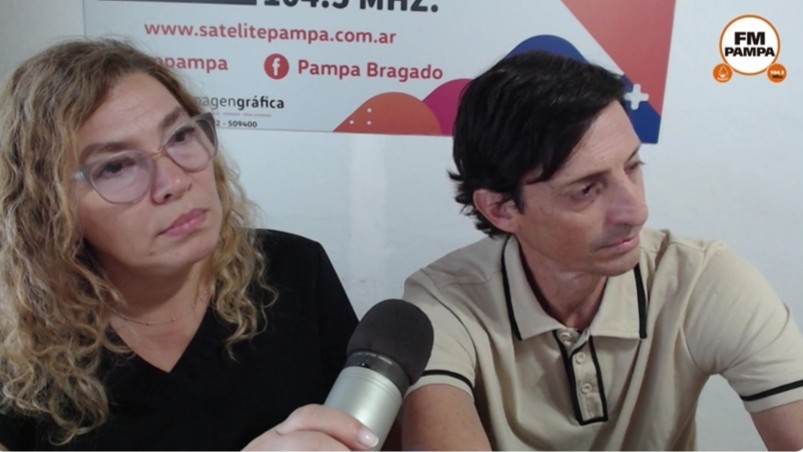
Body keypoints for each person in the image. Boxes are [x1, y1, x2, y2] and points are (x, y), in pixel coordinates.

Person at [400, 50, 803, 450]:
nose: (636, 211)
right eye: (586, 190)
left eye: (632, 166)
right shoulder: (443, 302)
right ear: (501, 209)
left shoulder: (702, 279)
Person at [0, 38, 378, 451]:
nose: (175, 182)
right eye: (116, 166)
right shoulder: (16, 351)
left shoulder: (294, 269)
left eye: (180, 135)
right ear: (48, 207)